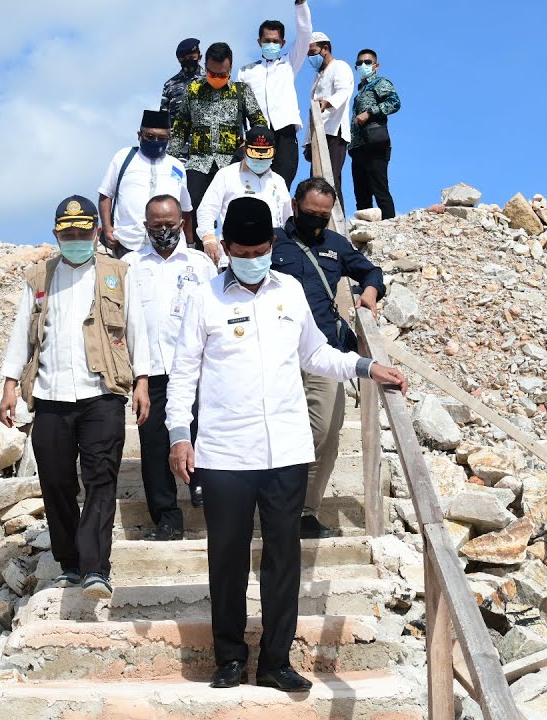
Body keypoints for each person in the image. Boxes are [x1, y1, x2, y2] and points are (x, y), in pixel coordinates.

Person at [165, 196, 407, 692]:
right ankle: (230, 657)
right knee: (226, 557)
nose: (251, 257)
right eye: (241, 249)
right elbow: (184, 372)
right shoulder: (204, 297)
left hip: (287, 452)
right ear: (225, 248)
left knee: (283, 558)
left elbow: (316, 353)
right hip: (226, 453)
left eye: (259, 248)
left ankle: (275, 661)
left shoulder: (290, 291)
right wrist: (178, 437)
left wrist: (365, 365)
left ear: (271, 245)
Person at [0, 195, 152, 602]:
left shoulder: (118, 273)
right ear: (56, 234)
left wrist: (142, 381)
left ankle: (96, 568)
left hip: (101, 394)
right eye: (68, 234)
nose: (76, 240)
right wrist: (10, 384)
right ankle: (69, 563)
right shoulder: (39, 278)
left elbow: (137, 328)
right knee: (56, 481)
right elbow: (22, 333)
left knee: (101, 480)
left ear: (96, 232)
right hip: (50, 397)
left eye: (83, 233)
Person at [270, 177, 384, 538]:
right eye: (310, 214)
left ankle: (305, 511)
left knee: (324, 435)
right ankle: (271, 507)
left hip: (324, 353)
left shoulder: (336, 244)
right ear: (294, 206)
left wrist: (368, 294)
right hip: (277, 354)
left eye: (324, 215)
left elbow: (371, 271)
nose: (316, 221)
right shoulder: (272, 241)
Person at [122, 194, 219, 540]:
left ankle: (202, 489)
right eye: (156, 226)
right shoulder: (130, 266)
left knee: (202, 433)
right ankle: (166, 516)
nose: (164, 231)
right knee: (154, 444)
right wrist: (138, 379)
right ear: (145, 226)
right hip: (151, 372)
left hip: (196, 368)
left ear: (182, 223)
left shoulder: (201, 265)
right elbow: (126, 322)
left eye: (170, 224)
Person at [167, 42, 268, 224]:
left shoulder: (242, 91)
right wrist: (169, 160)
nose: (217, 78)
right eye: (212, 74)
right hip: (198, 163)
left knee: (238, 213)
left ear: (231, 67)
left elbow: (260, 123)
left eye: (222, 74)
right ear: (205, 66)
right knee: (193, 208)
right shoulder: (193, 90)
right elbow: (181, 127)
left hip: (232, 163)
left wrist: (251, 143)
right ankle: (197, 249)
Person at [98, 110, 197, 258]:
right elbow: (106, 194)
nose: (156, 141)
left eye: (162, 138)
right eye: (150, 136)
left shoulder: (176, 166)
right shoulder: (124, 158)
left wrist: (190, 244)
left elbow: (185, 209)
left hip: (167, 245)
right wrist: (107, 228)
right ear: (139, 136)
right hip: (128, 244)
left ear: (169, 138)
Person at [236, 0, 312, 188]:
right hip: (257, 132)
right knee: (255, 180)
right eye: (267, 41)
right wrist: (242, 133)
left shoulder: (289, 64)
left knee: (284, 177)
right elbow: (238, 107)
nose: (271, 44)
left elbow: (305, 35)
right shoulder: (246, 71)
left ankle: (280, 216)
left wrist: (301, 5)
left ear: (283, 43)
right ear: (259, 42)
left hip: (285, 130)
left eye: (275, 41)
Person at [194, 126, 292, 267]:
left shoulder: (279, 181)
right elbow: (207, 209)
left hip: (270, 258)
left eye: (264, 154)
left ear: (273, 152)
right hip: (235, 256)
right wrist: (208, 238)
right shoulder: (226, 175)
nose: (259, 158)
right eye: (255, 152)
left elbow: (287, 219)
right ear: (245, 150)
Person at [301, 31, 354, 208]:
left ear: (325, 49)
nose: (311, 57)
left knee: (330, 183)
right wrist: (308, 142)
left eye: (313, 52)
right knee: (317, 182)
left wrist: (328, 102)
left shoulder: (339, 67)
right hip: (319, 134)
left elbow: (344, 92)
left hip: (334, 132)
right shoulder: (318, 76)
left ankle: (336, 226)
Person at [349, 48, 401, 220]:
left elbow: (394, 102)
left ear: (376, 66)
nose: (363, 65)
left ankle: (390, 227)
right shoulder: (360, 91)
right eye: (359, 63)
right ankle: (365, 236)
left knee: (380, 189)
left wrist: (370, 112)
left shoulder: (379, 83)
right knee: (361, 194)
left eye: (367, 62)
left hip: (375, 144)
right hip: (358, 147)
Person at [161, 38, 203, 129]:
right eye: (184, 59)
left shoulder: (213, 81)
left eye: (192, 58)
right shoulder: (170, 85)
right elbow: (162, 121)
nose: (188, 62)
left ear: (199, 57)